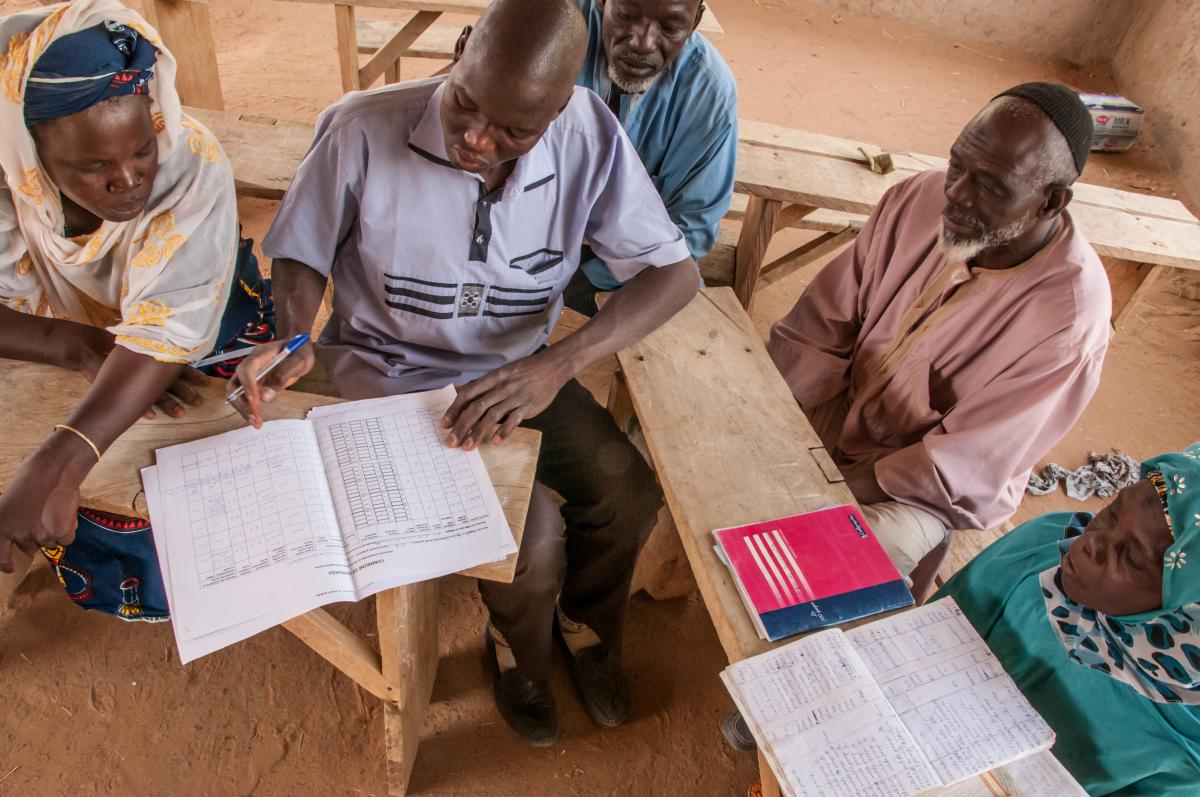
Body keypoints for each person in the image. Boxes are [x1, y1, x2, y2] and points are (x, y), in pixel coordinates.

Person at [230, 0, 698, 747]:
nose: (477, 139)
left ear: (561, 104)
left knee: (626, 490)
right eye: (465, 104)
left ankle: (584, 625)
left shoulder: (590, 136)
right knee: (530, 542)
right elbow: (303, 247)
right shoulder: (360, 126)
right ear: (458, 51)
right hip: (391, 375)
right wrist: (295, 333)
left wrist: (558, 365)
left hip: (519, 371)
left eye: (515, 130)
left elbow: (674, 276)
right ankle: (520, 652)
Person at [768, 83, 1112, 584]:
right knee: (723, 448)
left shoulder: (1069, 322)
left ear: (1050, 202)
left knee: (843, 560)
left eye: (991, 186)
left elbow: (964, 464)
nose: (955, 195)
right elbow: (823, 322)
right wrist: (772, 425)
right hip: (839, 398)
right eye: (958, 166)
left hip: (919, 484)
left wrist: (825, 489)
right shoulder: (916, 198)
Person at [0, 0, 273, 620]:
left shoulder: (188, 160)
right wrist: (81, 346)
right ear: (30, 153)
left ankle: (202, 581)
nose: (128, 180)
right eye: (92, 168)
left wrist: (62, 456)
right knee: (96, 464)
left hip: (200, 306)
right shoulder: (4, 164)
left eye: (140, 150)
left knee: (190, 458)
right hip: (58, 331)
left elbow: (170, 327)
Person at [936, 444, 1200, 794]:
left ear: (1186, 610)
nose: (1091, 542)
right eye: (1112, 512)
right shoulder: (1040, 547)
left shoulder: (1184, 737)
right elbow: (927, 627)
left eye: (1132, 558)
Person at [563, 0, 736, 315]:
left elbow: (690, 228)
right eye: (628, 16)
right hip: (525, 244)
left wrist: (585, 279)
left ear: (695, 21)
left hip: (630, 268)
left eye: (669, 27)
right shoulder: (552, 27)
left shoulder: (709, 91)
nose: (642, 43)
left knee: (684, 331)